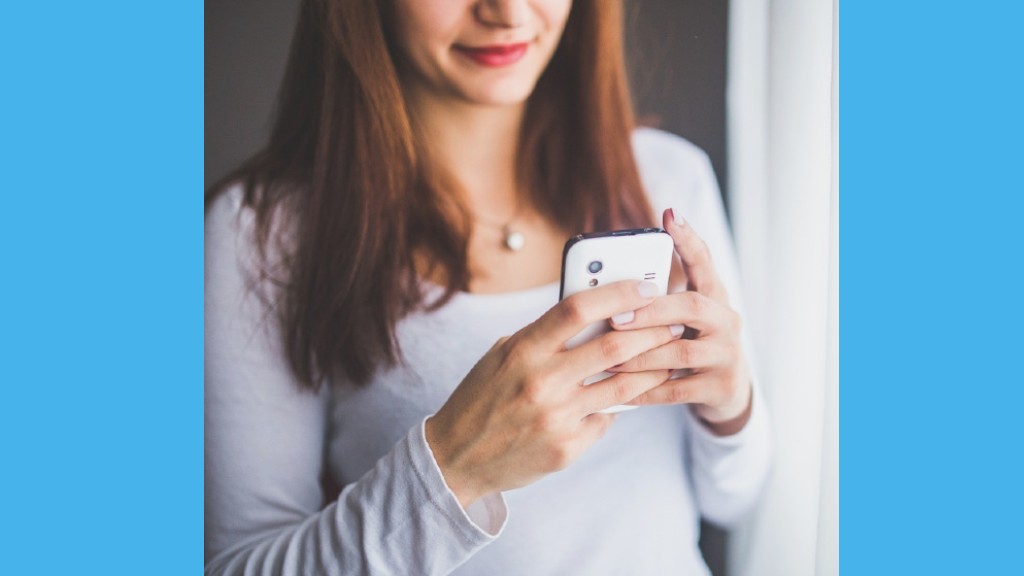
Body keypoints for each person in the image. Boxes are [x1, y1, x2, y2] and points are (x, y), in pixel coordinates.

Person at [205, 1, 771, 574]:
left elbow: (735, 498)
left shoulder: (669, 180)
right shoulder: (262, 234)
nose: (506, 13)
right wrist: (455, 467)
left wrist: (730, 407)